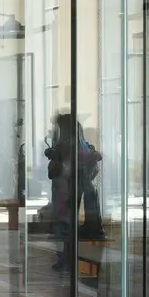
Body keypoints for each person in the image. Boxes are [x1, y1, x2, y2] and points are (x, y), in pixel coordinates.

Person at [44, 113, 104, 270]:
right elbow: (94, 164)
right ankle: (68, 258)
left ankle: (65, 259)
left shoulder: (63, 148)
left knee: (63, 224)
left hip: (64, 191)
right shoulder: (83, 147)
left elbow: (53, 171)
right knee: (68, 224)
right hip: (72, 189)